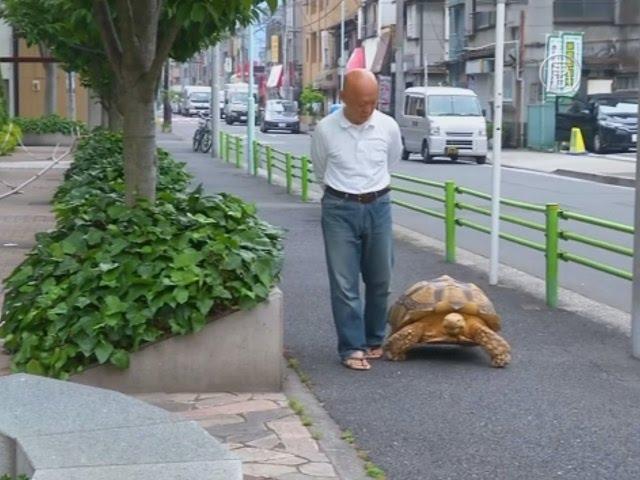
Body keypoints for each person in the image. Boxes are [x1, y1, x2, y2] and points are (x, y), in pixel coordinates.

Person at [310, 69, 403, 371]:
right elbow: (320, 170)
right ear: (343, 98)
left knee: (381, 279)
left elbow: (393, 160)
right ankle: (351, 347)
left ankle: (374, 339)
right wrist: (346, 193)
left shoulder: (387, 127)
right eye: (361, 102)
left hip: (379, 204)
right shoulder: (325, 130)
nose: (367, 109)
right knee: (344, 283)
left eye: (373, 102)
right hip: (339, 206)